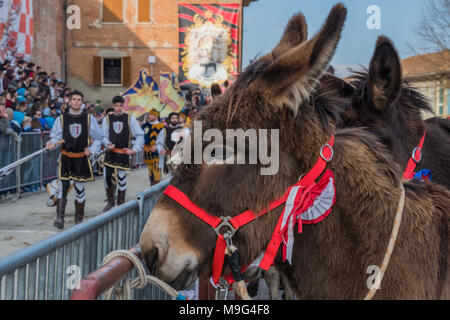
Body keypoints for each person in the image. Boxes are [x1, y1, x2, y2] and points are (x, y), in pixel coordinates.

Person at [46, 90, 105, 229]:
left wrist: (92, 149)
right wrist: (51, 144)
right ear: (69, 101)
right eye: (74, 99)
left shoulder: (89, 119)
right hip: (65, 158)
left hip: (81, 159)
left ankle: (78, 220)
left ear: (82, 103)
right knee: (62, 189)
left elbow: (98, 137)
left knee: (79, 189)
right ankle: (60, 218)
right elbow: (55, 137)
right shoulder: (61, 118)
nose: (76, 101)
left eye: (79, 99)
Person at [101, 96, 144, 212]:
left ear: (123, 106)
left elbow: (139, 134)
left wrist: (134, 149)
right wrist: (107, 143)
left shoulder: (130, 119)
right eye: (116, 105)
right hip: (111, 153)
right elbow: (103, 136)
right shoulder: (107, 119)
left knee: (121, 178)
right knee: (107, 177)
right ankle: (110, 201)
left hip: (123, 153)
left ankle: (120, 203)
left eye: (120, 105)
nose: (118, 108)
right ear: (113, 106)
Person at [142, 109, 166, 186]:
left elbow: (161, 140)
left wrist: (157, 147)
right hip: (147, 152)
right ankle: (152, 190)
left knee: (157, 172)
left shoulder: (160, 126)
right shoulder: (145, 125)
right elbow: (142, 137)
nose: (150, 116)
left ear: (156, 116)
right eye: (149, 114)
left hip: (157, 153)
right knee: (150, 173)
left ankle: (156, 191)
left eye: (152, 115)